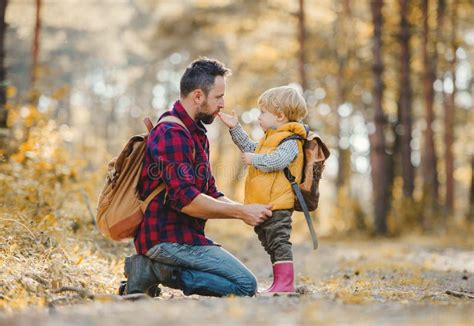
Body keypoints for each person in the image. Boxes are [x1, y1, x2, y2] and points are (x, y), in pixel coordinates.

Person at [125, 57, 273, 297]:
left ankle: (157, 269)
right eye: (218, 97)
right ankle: (151, 269)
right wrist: (241, 213)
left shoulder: (196, 133)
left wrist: (248, 210)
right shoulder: (171, 134)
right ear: (197, 96)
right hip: (165, 239)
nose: (223, 104)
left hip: (186, 238)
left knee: (240, 283)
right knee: (245, 286)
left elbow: (210, 193)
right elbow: (187, 201)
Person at [218, 86, 308, 294]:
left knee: (279, 241)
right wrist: (235, 128)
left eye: (263, 113)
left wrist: (255, 160)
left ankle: (285, 284)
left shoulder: (290, 140)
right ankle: (280, 282)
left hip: (279, 204)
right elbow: (250, 147)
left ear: (280, 115)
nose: (259, 117)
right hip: (266, 204)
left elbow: (278, 160)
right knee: (269, 242)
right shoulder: (270, 138)